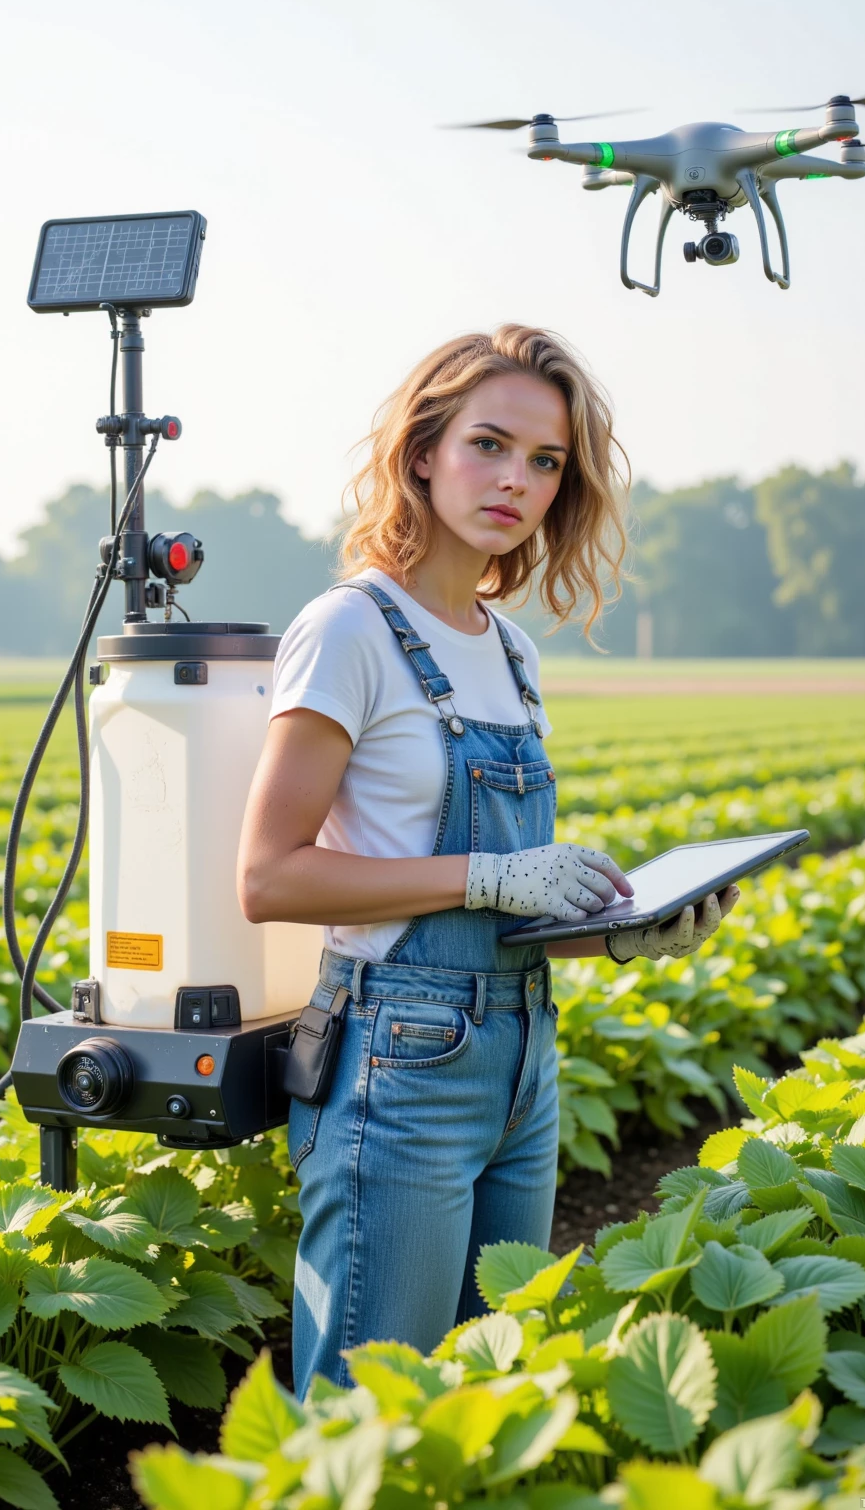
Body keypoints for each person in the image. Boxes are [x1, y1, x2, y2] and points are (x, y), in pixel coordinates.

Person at [236, 324, 739, 1400]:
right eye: (489, 445)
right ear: (422, 452)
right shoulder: (350, 630)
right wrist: (486, 877)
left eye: (546, 461)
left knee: (491, 1393)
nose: (517, 480)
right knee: (374, 1407)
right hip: (397, 1061)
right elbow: (270, 877)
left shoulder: (510, 650)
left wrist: (622, 930)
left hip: (523, 1055)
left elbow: (507, 908)